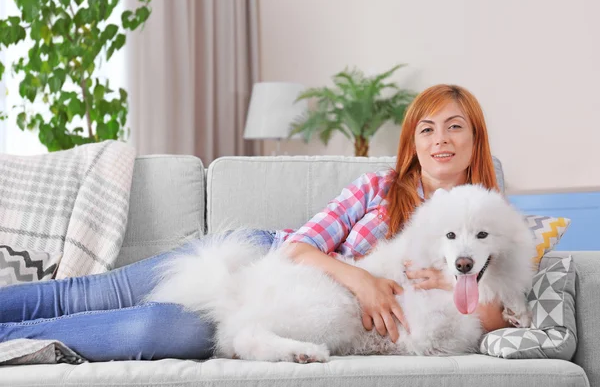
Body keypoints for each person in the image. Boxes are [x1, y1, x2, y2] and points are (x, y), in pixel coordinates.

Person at [0, 84, 510, 362]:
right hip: (267, 259)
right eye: (427, 128)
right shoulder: (376, 188)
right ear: (413, 143)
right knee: (88, 294)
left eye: (454, 127)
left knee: (157, 326)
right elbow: (300, 249)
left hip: (290, 319)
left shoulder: (489, 223)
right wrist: (363, 280)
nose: (440, 138)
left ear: (474, 140)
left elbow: (494, 321)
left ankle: (15, 338)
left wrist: (457, 278)